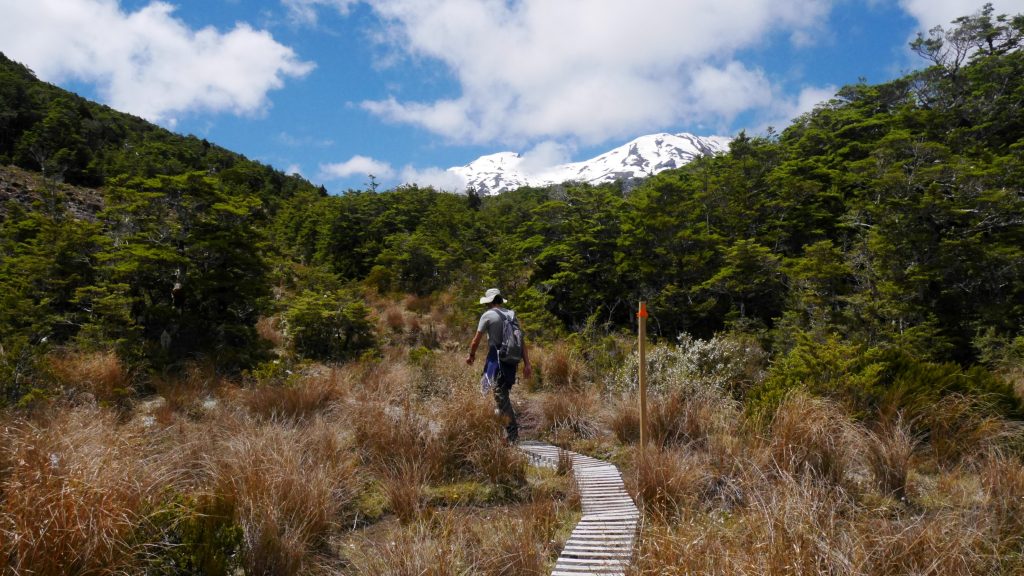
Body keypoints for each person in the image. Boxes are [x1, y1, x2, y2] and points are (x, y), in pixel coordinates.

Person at [466, 288, 532, 443]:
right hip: (511, 361)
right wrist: (527, 364)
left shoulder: (487, 315)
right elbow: (521, 341)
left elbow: (476, 340)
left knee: (498, 396)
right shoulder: (511, 315)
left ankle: (512, 435)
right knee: (497, 394)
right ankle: (498, 428)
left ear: (489, 302)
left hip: (496, 360)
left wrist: (471, 356)